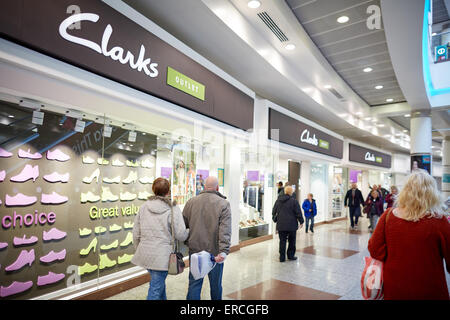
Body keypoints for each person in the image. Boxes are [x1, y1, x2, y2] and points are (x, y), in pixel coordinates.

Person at [368, 169, 450, 300]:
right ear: (432, 193)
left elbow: (374, 250)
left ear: (405, 191)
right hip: (431, 290)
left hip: (395, 288)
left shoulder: (388, 216)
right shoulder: (440, 221)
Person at [131, 178, 189, 300]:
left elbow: (136, 233)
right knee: (155, 289)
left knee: (158, 284)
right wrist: (189, 231)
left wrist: (140, 249)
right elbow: (181, 235)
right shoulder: (173, 208)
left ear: (153, 190)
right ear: (168, 191)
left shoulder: (144, 207)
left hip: (145, 254)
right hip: (162, 257)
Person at [182, 176, 232, 300]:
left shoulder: (191, 202)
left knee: (194, 284)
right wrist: (224, 251)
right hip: (215, 253)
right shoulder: (223, 203)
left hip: (195, 251)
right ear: (217, 188)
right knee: (215, 286)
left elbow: (183, 226)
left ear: (204, 187)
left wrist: (188, 241)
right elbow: (224, 230)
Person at [272, 185, 304, 262]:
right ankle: (290, 256)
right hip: (291, 225)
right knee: (292, 241)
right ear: (291, 192)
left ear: (285, 191)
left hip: (281, 225)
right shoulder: (294, 201)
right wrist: (301, 221)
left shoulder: (278, 201)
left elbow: (273, 212)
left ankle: (282, 258)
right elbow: (298, 212)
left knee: (282, 241)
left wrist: (275, 219)